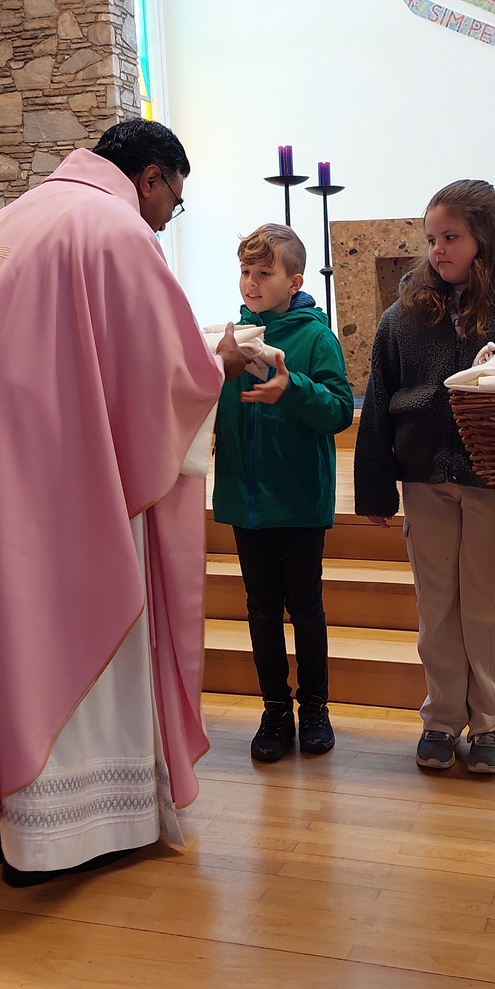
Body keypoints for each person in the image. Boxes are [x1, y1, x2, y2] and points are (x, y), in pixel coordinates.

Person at [0, 118, 247, 888]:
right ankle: (65, 833)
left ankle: (1, 818)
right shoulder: (112, 226)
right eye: (172, 202)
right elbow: (163, 374)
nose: (165, 219)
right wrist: (221, 360)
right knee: (67, 621)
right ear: (151, 177)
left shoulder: (6, 223)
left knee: (2, 628)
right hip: (55, 476)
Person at [355, 179, 495, 776]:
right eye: (431, 239)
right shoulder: (405, 315)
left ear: (486, 238)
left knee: (487, 605)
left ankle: (492, 720)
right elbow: (379, 403)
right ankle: (443, 717)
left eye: (451, 237)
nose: (437, 250)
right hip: (425, 480)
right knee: (437, 606)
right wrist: (375, 489)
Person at [213, 224, 354, 763]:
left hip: (297, 498)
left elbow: (339, 410)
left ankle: (314, 707)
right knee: (261, 609)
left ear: (294, 282)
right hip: (245, 497)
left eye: (264, 273)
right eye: (245, 271)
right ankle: (274, 709)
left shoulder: (315, 337)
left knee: (306, 605)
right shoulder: (230, 339)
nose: (251, 282)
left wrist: (292, 387)